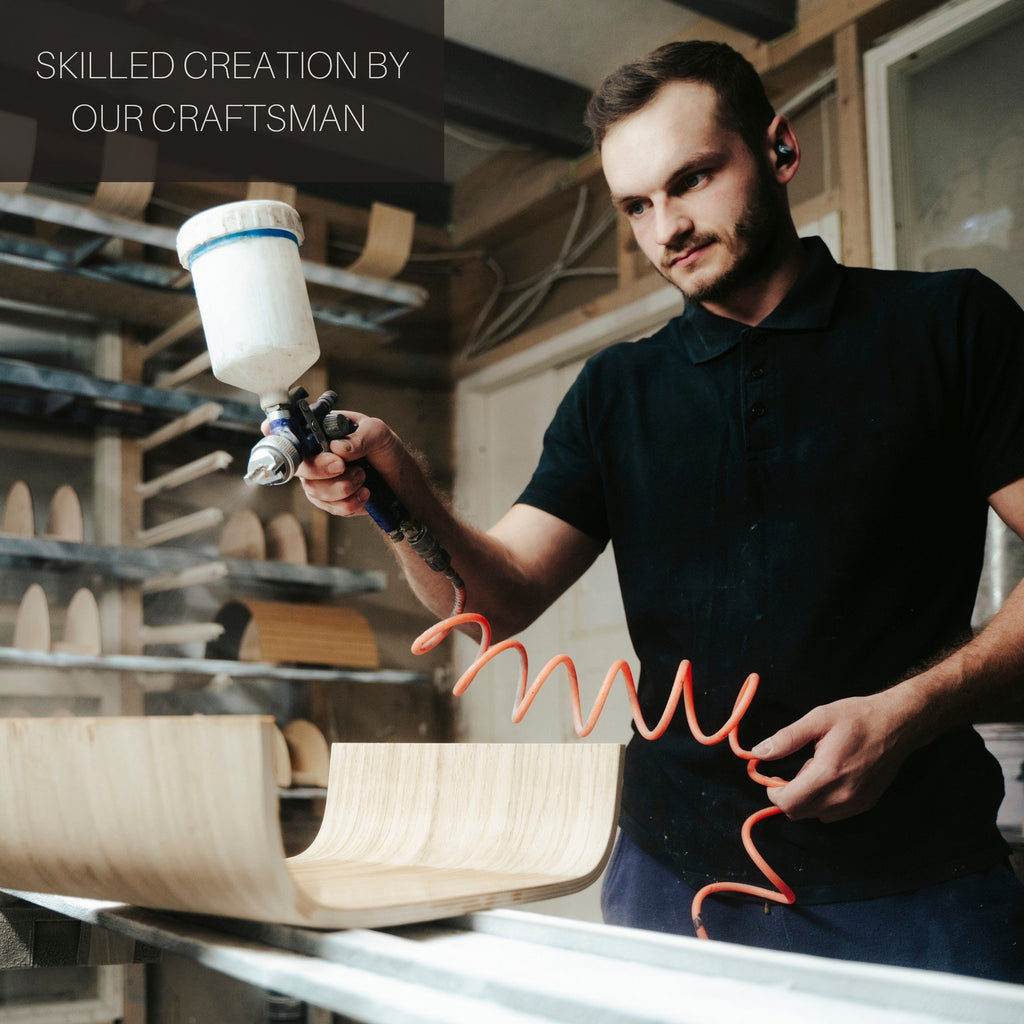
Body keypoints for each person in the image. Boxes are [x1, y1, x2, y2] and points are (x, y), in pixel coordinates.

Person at [295, 41, 1024, 980]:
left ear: (780, 150)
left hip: (919, 887)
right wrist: (399, 493)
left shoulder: (950, 326)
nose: (666, 226)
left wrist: (907, 713)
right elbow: (492, 603)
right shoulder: (616, 391)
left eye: (693, 180)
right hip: (668, 884)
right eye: (636, 205)